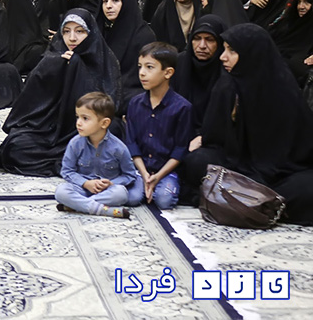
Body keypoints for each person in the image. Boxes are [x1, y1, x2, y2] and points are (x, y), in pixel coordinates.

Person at [184, 23, 313, 224]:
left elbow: (302, 147)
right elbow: (214, 137)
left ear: (252, 53)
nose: (222, 57)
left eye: (232, 51)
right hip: (237, 166)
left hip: (281, 173)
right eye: (224, 49)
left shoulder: (283, 87)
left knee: (306, 187)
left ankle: (246, 199)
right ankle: (262, 202)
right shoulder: (227, 86)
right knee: (196, 161)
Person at [0, 8, 121, 177]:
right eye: (66, 31)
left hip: (84, 130)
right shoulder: (54, 58)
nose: (72, 38)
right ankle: (74, 161)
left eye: (79, 31)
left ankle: (74, 160)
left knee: (113, 130)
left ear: (91, 33)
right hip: (49, 131)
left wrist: (78, 69)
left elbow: (107, 105)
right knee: (15, 146)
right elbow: (28, 107)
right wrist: (54, 67)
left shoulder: (103, 59)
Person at [125, 42, 192, 210]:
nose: (142, 73)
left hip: (167, 171)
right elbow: (131, 143)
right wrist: (144, 174)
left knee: (164, 201)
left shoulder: (182, 107)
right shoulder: (135, 103)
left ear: (168, 73)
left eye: (149, 67)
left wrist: (158, 176)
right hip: (140, 168)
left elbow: (180, 149)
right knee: (132, 198)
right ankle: (145, 184)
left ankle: (158, 186)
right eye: (140, 66)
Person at [55, 92, 137, 218]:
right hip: (81, 189)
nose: (78, 123)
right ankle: (103, 210)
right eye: (77, 117)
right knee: (61, 191)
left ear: (104, 123)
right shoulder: (75, 144)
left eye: (85, 118)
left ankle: (77, 205)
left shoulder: (119, 148)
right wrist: (85, 183)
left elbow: (129, 175)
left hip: (106, 192)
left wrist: (111, 183)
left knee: (121, 194)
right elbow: (67, 171)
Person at [171, 15, 227, 147]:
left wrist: (204, 136)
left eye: (210, 40)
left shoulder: (226, 67)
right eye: (197, 38)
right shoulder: (180, 63)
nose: (202, 46)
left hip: (215, 138)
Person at [100, 0, 156, 108]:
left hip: (134, 97)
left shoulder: (144, 35)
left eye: (115, 1)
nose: (108, 6)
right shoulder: (103, 31)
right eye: (104, 1)